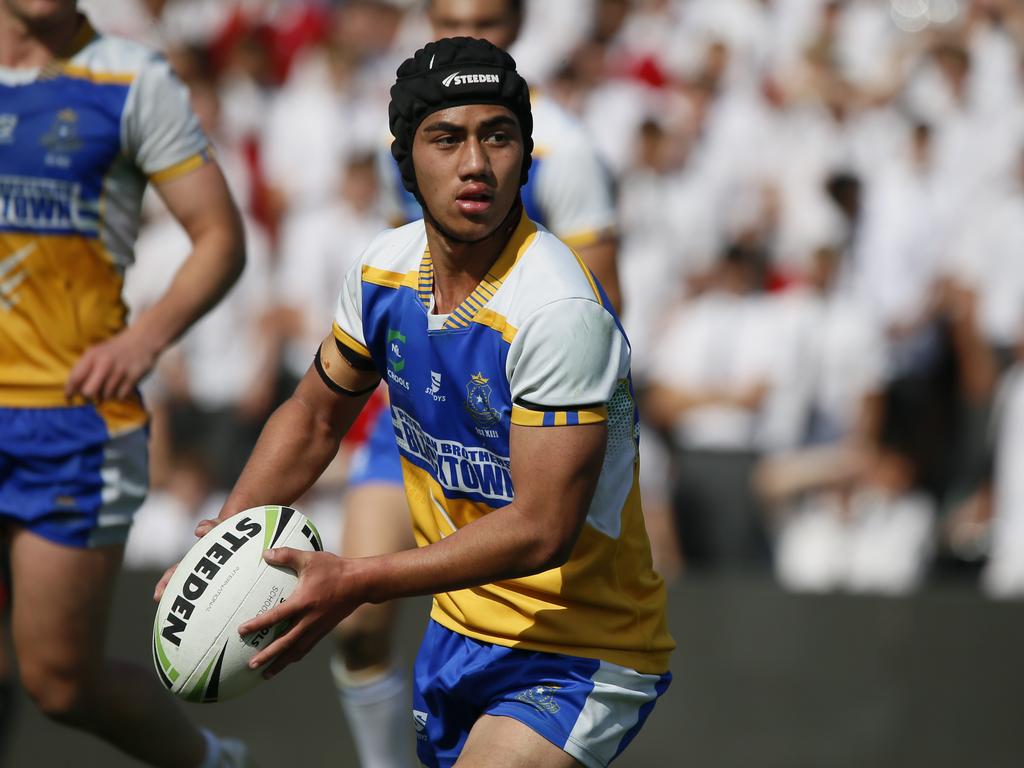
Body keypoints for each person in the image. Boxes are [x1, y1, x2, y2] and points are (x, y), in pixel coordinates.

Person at [160, 36, 673, 768]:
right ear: (405, 156)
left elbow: (541, 530)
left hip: (580, 648)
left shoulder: (557, 309)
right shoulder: (382, 269)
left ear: (526, 155)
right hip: (457, 631)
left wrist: (358, 579)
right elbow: (312, 417)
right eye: (446, 138)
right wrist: (223, 533)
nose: (475, 163)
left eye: (499, 136)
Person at [336, 5, 623, 764]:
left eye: (491, 17)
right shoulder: (406, 114)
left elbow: (601, 296)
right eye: (458, 17)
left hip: (517, 400)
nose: (478, 30)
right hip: (417, 399)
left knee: (381, 583)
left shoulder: (565, 145)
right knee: (360, 621)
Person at [0, 2, 250, 766]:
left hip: (68, 426)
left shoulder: (132, 79)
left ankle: (212, 763)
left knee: (58, 680)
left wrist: (145, 337)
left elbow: (219, 238)